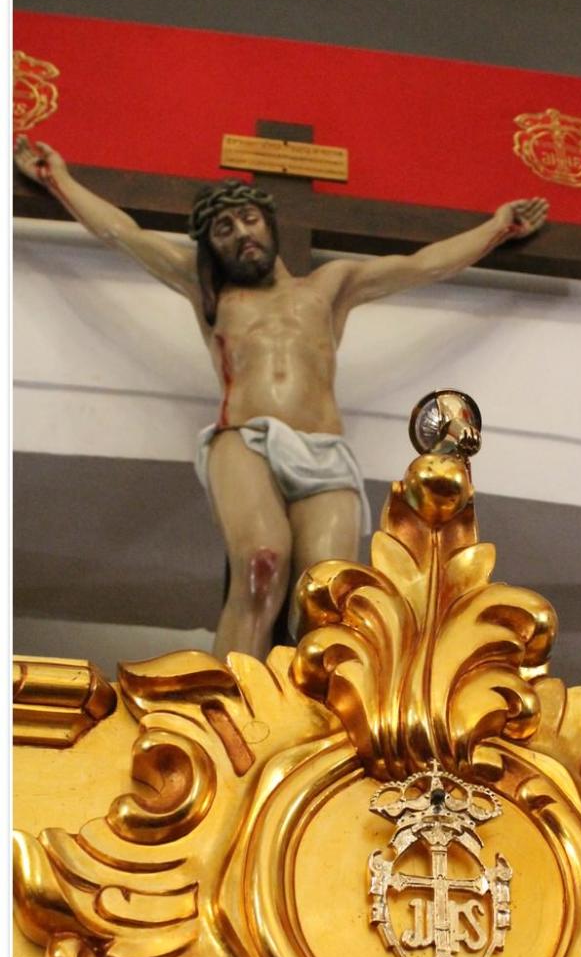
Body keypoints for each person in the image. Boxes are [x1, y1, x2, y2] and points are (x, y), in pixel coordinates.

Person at [14, 134, 549, 660]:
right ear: (212, 246)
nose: (240, 233)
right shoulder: (212, 294)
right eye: (223, 228)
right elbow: (121, 233)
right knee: (262, 563)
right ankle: (228, 700)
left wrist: (498, 227)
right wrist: (55, 178)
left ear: (269, 225)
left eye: (248, 219)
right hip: (244, 441)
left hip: (324, 451)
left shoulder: (329, 287)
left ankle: (310, 708)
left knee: (330, 598)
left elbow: (424, 264)